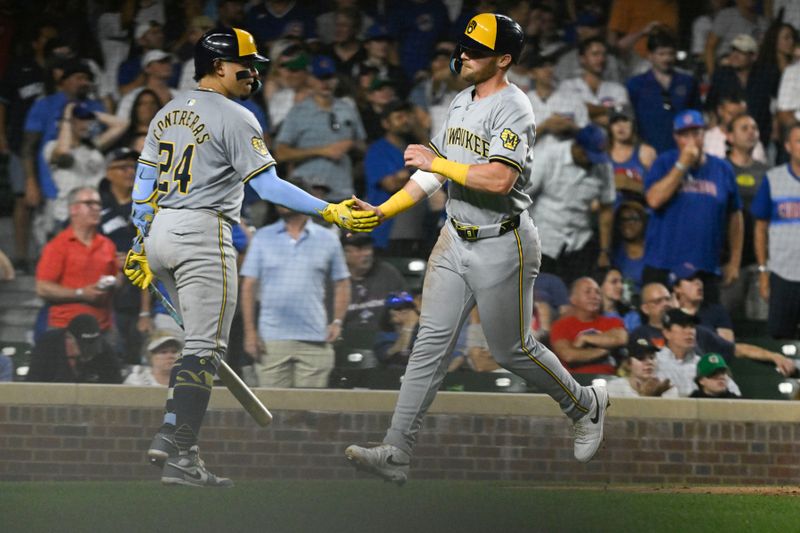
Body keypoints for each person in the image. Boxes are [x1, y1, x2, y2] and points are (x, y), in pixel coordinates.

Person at [344, 14, 611, 486]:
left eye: (477, 50)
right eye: (464, 45)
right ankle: (396, 449)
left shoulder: (515, 107)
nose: (464, 54)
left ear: (503, 59)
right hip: (454, 235)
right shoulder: (460, 99)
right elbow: (432, 174)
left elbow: (499, 178)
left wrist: (438, 161)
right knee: (429, 344)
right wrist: (384, 210)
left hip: (503, 241)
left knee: (510, 350)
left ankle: (584, 404)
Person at [123, 27, 378, 488]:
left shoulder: (167, 110)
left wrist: (141, 241)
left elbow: (142, 186)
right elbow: (268, 187)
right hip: (203, 231)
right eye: (247, 63)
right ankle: (172, 436)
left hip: (162, 231)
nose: (255, 71)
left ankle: (185, 457)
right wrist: (329, 210)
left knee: (198, 345)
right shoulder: (237, 116)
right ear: (218, 65)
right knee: (204, 348)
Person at [240, 186, 351, 388]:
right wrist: (250, 332)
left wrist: (337, 322)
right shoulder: (263, 237)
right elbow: (248, 286)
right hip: (271, 339)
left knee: (309, 414)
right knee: (271, 411)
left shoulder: (328, 239)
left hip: (315, 338)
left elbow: (342, 282)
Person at [642, 109, 744, 305]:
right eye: (684, 135)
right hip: (663, 264)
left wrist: (735, 261)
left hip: (705, 267)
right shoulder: (663, 163)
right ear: (675, 137)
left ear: (704, 134)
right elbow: (654, 200)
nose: (691, 140)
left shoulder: (722, 168)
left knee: (707, 331)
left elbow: (735, 215)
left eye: (695, 133)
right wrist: (682, 164)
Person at [528, 125, 616, 285]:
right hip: (544, 238)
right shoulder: (550, 155)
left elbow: (606, 209)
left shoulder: (603, 166)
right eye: (587, 154)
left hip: (579, 242)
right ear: (576, 146)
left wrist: (604, 250)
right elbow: (523, 194)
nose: (591, 160)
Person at [274, 55, 366, 201]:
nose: (325, 83)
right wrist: (322, 151)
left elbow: (363, 146)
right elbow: (280, 153)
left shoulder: (347, 108)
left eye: (329, 77)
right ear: (310, 79)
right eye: (319, 78)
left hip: (342, 191)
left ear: (336, 79)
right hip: (306, 191)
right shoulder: (298, 112)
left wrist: (351, 144)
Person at [36, 186, 119, 334]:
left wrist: (121, 273)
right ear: (73, 209)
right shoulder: (58, 246)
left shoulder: (108, 245)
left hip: (102, 329)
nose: (96, 208)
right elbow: (43, 288)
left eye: (98, 204)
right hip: (65, 330)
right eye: (89, 203)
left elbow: (116, 283)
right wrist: (81, 293)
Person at [752, 122, 800, 339]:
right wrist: (763, 272)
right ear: (788, 146)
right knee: (780, 338)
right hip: (782, 273)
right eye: (798, 141)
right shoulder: (774, 179)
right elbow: (760, 228)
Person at [722, 113, 769, 319]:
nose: (751, 132)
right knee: (728, 322)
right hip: (728, 259)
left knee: (760, 322)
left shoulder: (766, 172)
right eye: (744, 128)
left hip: (760, 259)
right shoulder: (721, 169)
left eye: (754, 128)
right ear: (730, 136)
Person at [626, 30, 701, 154]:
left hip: (683, 150)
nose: (667, 58)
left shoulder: (688, 82)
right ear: (650, 56)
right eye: (661, 54)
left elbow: (697, 115)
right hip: (649, 150)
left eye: (670, 54)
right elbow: (631, 120)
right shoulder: (635, 85)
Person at [340, 232, 407, 349]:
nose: (367, 253)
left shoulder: (388, 273)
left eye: (368, 248)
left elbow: (406, 307)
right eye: (359, 249)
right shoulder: (334, 280)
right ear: (344, 253)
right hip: (343, 343)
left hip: (381, 343)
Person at [655, 309, 741, 397]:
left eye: (692, 326)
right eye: (683, 326)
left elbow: (735, 395)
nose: (690, 332)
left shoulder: (703, 364)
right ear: (667, 333)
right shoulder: (654, 363)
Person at [550, 277, 628, 375]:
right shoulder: (560, 325)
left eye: (597, 292)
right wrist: (605, 351)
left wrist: (585, 338)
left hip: (609, 381)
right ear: (573, 299)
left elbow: (621, 339)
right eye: (588, 292)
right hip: (575, 382)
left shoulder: (613, 322)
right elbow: (568, 355)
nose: (594, 296)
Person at [26, 313, 121, 384]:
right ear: (69, 338)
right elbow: (32, 383)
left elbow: (114, 388)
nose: (90, 352)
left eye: (93, 346)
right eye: (84, 346)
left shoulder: (105, 352)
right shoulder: (48, 345)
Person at [558, 37, 629, 126]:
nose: (601, 59)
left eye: (604, 55)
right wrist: (610, 110)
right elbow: (567, 116)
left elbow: (622, 119)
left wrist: (586, 114)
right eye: (595, 54)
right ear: (582, 59)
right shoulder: (567, 86)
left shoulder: (618, 89)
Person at [526, 51, 587, 149]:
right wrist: (544, 127)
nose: (548, 70)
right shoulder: (521, 103)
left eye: (551, 65)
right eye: (542, 66)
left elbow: (589, 135)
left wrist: (571, 126)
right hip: (536, 162)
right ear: (531, 73)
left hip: (567, 161)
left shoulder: (573, 98)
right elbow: (515, 144)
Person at [704, 0, 768, 76]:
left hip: (753, 74)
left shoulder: (764, 23)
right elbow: (710, 47)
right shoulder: (726, 15)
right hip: (727, 70)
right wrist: (712, 76)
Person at [607, 106, 656, 204]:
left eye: (625, 120)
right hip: (612, 214)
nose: (621, 126)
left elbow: (656, 189)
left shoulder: (646, 152)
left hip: (640, 212)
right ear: (610, 127)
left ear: (633, 124)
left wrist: (628, 184)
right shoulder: (602, 156)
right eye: (615, 121)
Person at [605, 337, 678, 398]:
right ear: (628, 364)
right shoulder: (614, 387)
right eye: (641, 358)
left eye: (652, 357)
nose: (649, 362)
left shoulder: (666, 389)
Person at [703, 93, 766, 163]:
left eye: (740, 114)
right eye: (731, 114)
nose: (735, 118)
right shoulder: (707, 139)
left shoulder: (754, 142)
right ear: (720, 110)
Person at [374, 291, 420, 368]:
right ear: (389, 313)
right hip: (393, 375)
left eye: (408, 308)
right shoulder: (384, 336)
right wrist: (408, 326)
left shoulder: (421, 333)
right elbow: (399, 354)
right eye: (398, 308)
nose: (404, 311)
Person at [611, 200, 647, 292]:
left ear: (643, 221)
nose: (627, 224)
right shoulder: (614, 253)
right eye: (623, 220)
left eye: (633, 219)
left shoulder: (655, 250)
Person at [595, 266, 641, 332]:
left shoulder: (631, 316)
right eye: (614, 282)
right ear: (599, 286)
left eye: (621, 282)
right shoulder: (588, 314)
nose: (620, 286)